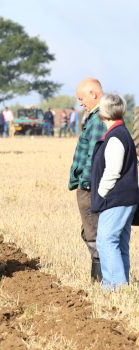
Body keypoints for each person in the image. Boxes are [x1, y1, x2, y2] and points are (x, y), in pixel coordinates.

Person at [91, 94, 139, 289]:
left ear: (103, 113)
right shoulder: (123, 132)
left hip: (116, 199)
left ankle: (116, 286)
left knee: (106, 241)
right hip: (127, 198)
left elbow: (112, 171)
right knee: (119, 243)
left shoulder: (115, 137)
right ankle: (119, 286)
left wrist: (101, 193)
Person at [68, 78, 106, 282]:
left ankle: (100, 279)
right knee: (90, 231)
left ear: (94, 94)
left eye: (82, 98)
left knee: (93, 232)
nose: (80, 103)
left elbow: (95, 155)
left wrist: (85, 182)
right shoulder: (94, 116)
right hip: (87, 183)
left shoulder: (99, 118)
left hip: (90, 185)